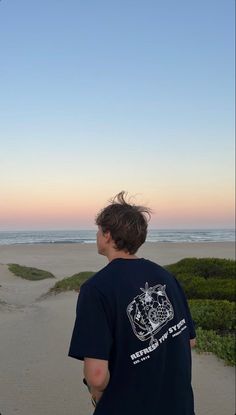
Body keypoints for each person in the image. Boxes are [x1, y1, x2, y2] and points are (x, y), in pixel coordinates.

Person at [68, 191, 196, 415]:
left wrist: (98, 398)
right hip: (179, 405)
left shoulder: (95, 289)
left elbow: (96, 377)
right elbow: (189, 341)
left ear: (107, 235)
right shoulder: (166, 277)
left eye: (98, 230)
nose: (97, 235)